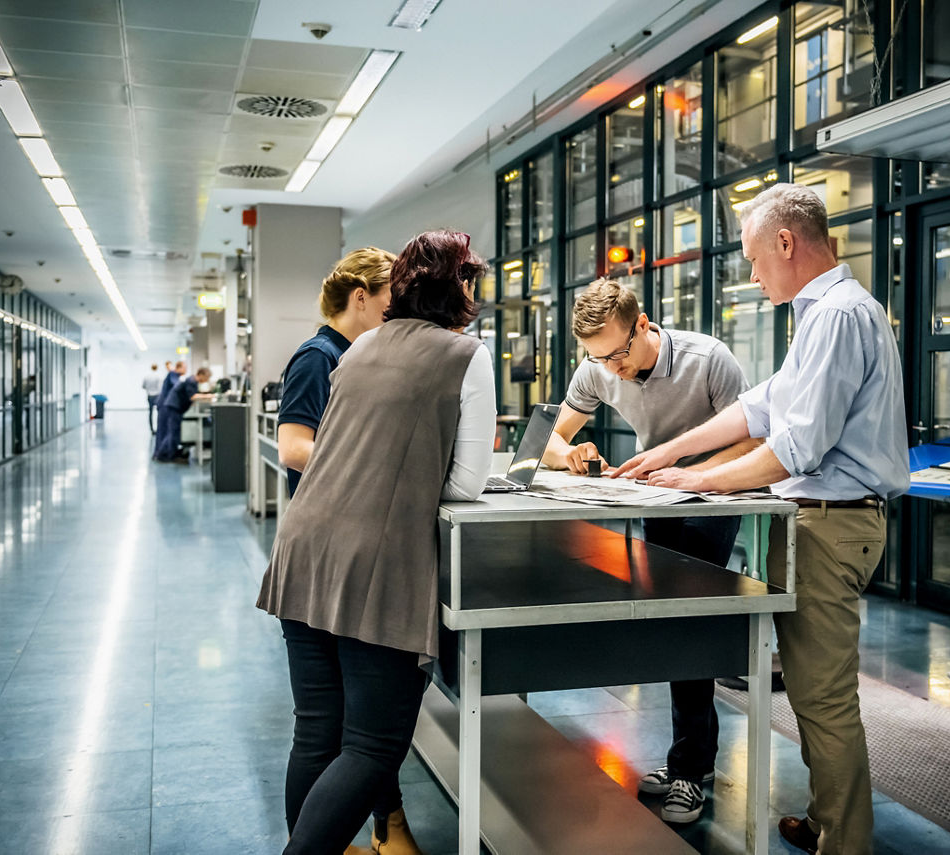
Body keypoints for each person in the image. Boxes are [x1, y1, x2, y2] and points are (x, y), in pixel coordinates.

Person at [613, 183, 909, 855]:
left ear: (786, 242)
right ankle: (828, 816)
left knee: (824, 697)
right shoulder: (825, 315)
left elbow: (794, 446)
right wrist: (669, 448)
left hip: (831, 526)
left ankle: (847, 843)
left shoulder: (836, 315)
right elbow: (760, 407)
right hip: (821, 523)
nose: (751, 275)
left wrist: (695, 480)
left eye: (753, 258)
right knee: (810, 690)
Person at [256, 229, 495, 855]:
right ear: (460, 288)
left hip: (305, 549)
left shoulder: (355, 351)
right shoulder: (465, 354)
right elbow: (468, 485)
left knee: (317, 732)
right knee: (372, 746)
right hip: (376, 563)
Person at [539, 278, 757, 825]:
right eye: (597, 358)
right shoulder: (597, 366)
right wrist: (569, 454)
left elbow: (753, 441)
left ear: (643, 326)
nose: (610, 369)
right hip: (655, 500)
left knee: (689, 623)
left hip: (713, 498)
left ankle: (687, 769)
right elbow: (547, 438)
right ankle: (695, 760)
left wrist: (685, 476)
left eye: (617, 353)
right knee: (667, 623)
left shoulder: (709, 359)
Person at [278, 247, 396, 497]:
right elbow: (293, 449)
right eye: (391, 299)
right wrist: (370, 472)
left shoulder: (356, 355)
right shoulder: (318, 357)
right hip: (322, 512)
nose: (395, 312)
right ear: (361, 297)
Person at [154, 366, 212, 462]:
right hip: (174, 407)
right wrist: (209, 396)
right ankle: (163, 455)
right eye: (207, 378)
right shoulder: (191, 381)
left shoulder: (193, 381)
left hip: (176, 407)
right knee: (173, 433)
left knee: (174, 432)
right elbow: (193, 396)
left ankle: (168, 454)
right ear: (201, 375)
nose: (207, 380)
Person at [152, 361, 185, 452]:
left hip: (165, 404)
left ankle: (163, 452)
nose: (186, 370)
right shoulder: (173, 373)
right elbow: (176, 385)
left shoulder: (174, 375)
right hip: (164, 405)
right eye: (185, 367)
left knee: (165, 429)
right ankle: (160, 453)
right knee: (163, 429)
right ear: (179, 368)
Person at [142, 363, 163, 434]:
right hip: (157, 396)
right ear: (157, 368)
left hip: (150, 396)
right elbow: (160, 388)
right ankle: (158, 427)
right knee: (158, 412)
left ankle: (151, 429)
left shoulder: (147, 376)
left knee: (150, 412)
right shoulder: (159, 376)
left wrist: (149, 389)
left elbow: (143, 386)